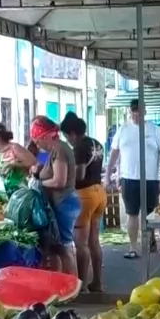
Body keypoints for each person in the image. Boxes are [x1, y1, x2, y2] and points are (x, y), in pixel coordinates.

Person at [106, 99, 160, 259]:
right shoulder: (122, 130)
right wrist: (109, 175)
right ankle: (133, 247)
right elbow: (114, 154)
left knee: (150, 213)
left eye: (139, 110)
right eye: (133, 110)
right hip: (129, 178)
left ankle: (150, 239)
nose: (136, 113)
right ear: (130, 111)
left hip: (150, 178)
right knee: (132, 213)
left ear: (144, 111)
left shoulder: (155, 130)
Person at [29, 115, 80, 277]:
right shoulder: (57, 149)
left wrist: (40, 184)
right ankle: (65, 285)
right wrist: (39, 170)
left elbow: (59, 181)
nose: (37, 145)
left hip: (64, 202)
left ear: (45, 136)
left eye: (38, 141)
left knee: (65, 248)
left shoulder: (58, 149)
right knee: (60, 247)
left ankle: (72, 287)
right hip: (63, 202)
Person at [62, 112, 105, 291]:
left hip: (84, 195)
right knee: (94, 241)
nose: (67, 140)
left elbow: (79, 174)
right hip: (99, 193)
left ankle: (80, 285)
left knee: (81, 243)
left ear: (72, 133)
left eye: (66, 136)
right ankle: (97, 282)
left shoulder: (78, 147)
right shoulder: (97, 143)